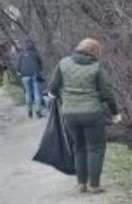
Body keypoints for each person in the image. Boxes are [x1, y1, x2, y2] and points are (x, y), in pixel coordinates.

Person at [47, 38, 121, 194]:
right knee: (95, 148)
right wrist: (115, 113)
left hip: (70, 114)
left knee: (78, 147)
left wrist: (61, 97)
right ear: (95, 52)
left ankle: (81, 183)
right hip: (92, 114)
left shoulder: (64, 63)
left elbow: (52, 88)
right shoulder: (96, 68)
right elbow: (107, 94)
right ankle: (94, 185)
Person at [17, 39, 44, 118]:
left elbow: (18, 65)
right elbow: (40, 66)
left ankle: (29, 110)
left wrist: (19, 72)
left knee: (28, 92)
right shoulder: (35, 54)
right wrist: (39, 70)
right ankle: (38, 111)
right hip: (35, 74)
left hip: (25, 75)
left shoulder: (21, 54)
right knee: (37, 93)